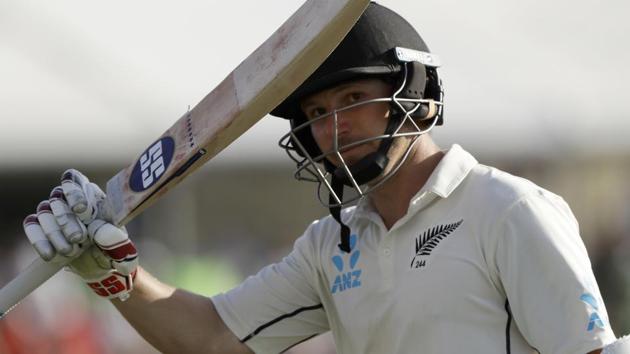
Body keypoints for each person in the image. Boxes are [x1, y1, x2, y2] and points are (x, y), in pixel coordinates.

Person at [22, 2, 629, 354]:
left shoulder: (508, 209)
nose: (331, 128)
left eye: (352, 98)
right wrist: (115, 276)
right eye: (314, 114)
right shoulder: (329, 245)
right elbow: (212, 338)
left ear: (410, 94)